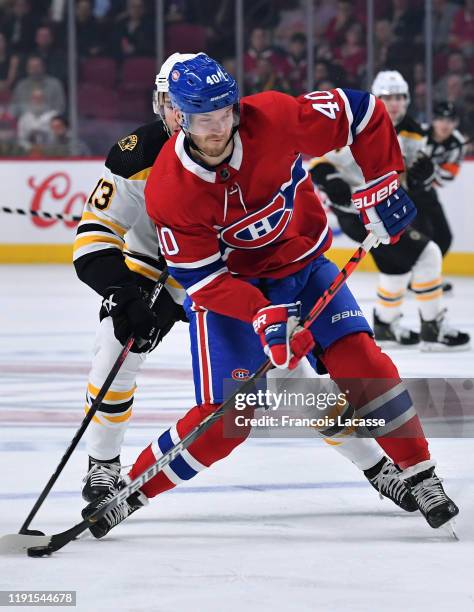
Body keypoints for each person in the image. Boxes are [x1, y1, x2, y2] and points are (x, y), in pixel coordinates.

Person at [83, 54, 459, 537]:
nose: (218, 128)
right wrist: (263, 317)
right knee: (229, 417)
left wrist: (382, 182)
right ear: (178, 116)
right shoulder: (168, 189)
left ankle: (419, 474)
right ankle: (129, 489)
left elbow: (362, 112)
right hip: (234, 291)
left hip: (303, 267)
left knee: (363, 362)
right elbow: (204, 281)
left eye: (225, 112)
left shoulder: (276, 117)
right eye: (202, 118)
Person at [72, 53, 195, 504]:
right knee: (114, 349)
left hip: (225, 270)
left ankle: (381, 464)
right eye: (170, 102)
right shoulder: (138, 152)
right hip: (151, 263)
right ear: (158, 104)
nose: (180, 114)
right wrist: (125, 293)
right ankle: (103, 465)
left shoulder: (236, 145)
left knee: (291, 364)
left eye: (189, 102)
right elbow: (95, 237)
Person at [311, 71, 469, 350]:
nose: (394, 103)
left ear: (407, 100)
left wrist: (423, 175)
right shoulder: (356, 124)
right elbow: (321, 163)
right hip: (355, 212)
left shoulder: (414, 131)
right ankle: (432, 328)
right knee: (428, 254)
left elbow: (408, 177)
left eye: (399, 97)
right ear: (376, 98)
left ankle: (385, 324)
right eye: (387, 97)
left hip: (382, 207)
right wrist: (332, 179)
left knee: (396, 266)